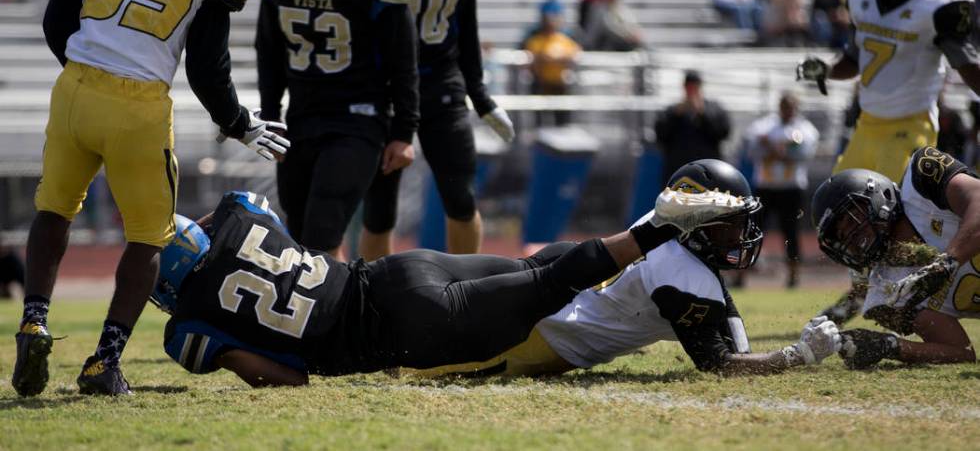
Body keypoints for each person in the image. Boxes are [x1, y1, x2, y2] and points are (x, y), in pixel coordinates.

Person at [11, 0, 289, 398]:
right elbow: (208, 67)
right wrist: (238, 123)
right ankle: (104, 360)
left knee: (54, 208)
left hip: (74, 89)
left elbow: (55, 22)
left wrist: (89, 68)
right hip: (137, 108)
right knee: (147, 237)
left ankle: (34, 319)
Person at [153, 187, 677, 386]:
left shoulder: (188, 330)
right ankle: (659, 249)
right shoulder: (238, 213)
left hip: (404, 328)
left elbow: (285, 379)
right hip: (396, 271)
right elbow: (261, 217)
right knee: (538, 266)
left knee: (548, 281)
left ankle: (661, 228)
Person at [416, 160, 842, 378]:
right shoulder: (681, 275)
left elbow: (726, 315)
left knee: (439, 301)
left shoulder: (663, 235)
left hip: (552, 285)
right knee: (421, 361)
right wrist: (795, 356)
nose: (740, 236)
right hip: (541, 332)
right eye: (729, 225)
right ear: (698, 221)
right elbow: (722, 365)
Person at [797, 0, 980, 323]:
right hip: (867, 125)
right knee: (841, 212)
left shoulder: (942, 6)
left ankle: (924, 293)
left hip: (912, 125)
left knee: (902, 216)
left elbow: (968, 67)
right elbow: (854, 58)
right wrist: (827, 69)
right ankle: (861, 294)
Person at [357, 0, 515, 260]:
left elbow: (467, 23)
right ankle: (377, 298)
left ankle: (465, 288)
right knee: (379, 211)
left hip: (441, 81)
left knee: (460, 197)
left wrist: (479, 94)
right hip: (384, 84)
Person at [255, 0, 419, 261]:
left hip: (358, 118)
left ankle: (327, 319)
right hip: (302, 116)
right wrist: (270, 115)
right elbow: (269, 48)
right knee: (298, 230)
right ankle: (342, 311)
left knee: (322, 228)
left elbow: (404, 58)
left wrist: (404, 131)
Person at [811, 146, 980, 367]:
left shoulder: (921, 178)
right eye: (842, 238)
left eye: (853, 219)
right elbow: (960, 352)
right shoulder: (886, 293)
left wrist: (946, 263)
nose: (853, 237)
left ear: (878, 195)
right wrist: (890, 346)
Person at [744, 93, 819, 287]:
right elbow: (751, 150)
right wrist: (780, 150)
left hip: (791, 188)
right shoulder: (764, 125)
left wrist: (771, 147)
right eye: (784, 105)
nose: (787, 110)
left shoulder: (805, 129)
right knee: (753, 230)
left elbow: (804, 153)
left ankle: (793, 275)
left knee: (791, 233)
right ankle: (741, 273)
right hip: (766, 187)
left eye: (790, 106)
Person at [654, 71, 731, 188]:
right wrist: (677, 115)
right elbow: (661, 135)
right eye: (689, 87)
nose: (691, 91)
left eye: (695, 87)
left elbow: (723, 132)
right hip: (679, 172)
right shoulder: (672, 110)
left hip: (707, 172)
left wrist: (702, 114)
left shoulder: (714, 109)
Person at [524, 0, 581, 126]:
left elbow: (574, 55)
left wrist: (557, 59)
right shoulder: (536, 40)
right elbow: (534, 57)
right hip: (542, 84)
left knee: (561, 121)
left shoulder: (564, 40)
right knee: (540, 120)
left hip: (559, 85)